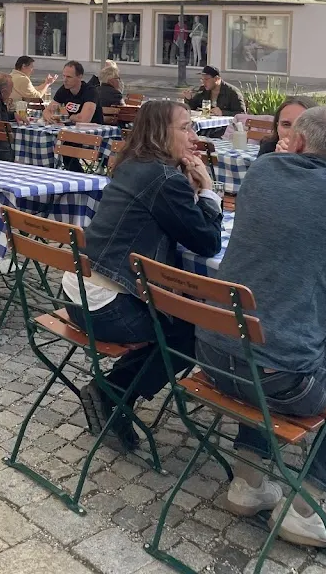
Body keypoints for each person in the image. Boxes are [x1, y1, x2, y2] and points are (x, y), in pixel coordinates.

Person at [196, 107, 326, 549]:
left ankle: (249, 483)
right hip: (282, 381)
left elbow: (285, 240)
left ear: (297, 143)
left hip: (210, 358)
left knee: (261, 334)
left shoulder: (261, 172)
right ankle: (305, 505)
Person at [61, 100, 222, 447]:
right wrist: (208, 189)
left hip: (77, 294)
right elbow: (208, 243)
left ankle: (113, 392)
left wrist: (189, 189)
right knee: (192, 331)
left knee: (179, 320)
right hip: (106, 308)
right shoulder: (163, 178)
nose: (193, 135)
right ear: (160, 132)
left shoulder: (134, 165)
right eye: (186, 127)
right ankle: (113, 392)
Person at [43, 61, 104, 125]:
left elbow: (84, 120)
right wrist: (50, 118)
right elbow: (46, 111)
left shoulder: (90, 91)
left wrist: (69, 117)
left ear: (80, 77)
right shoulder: (64, 89)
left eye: (69, 77)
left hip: (92, 132)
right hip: (71, 130)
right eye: (64, 76)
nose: (65, 80)